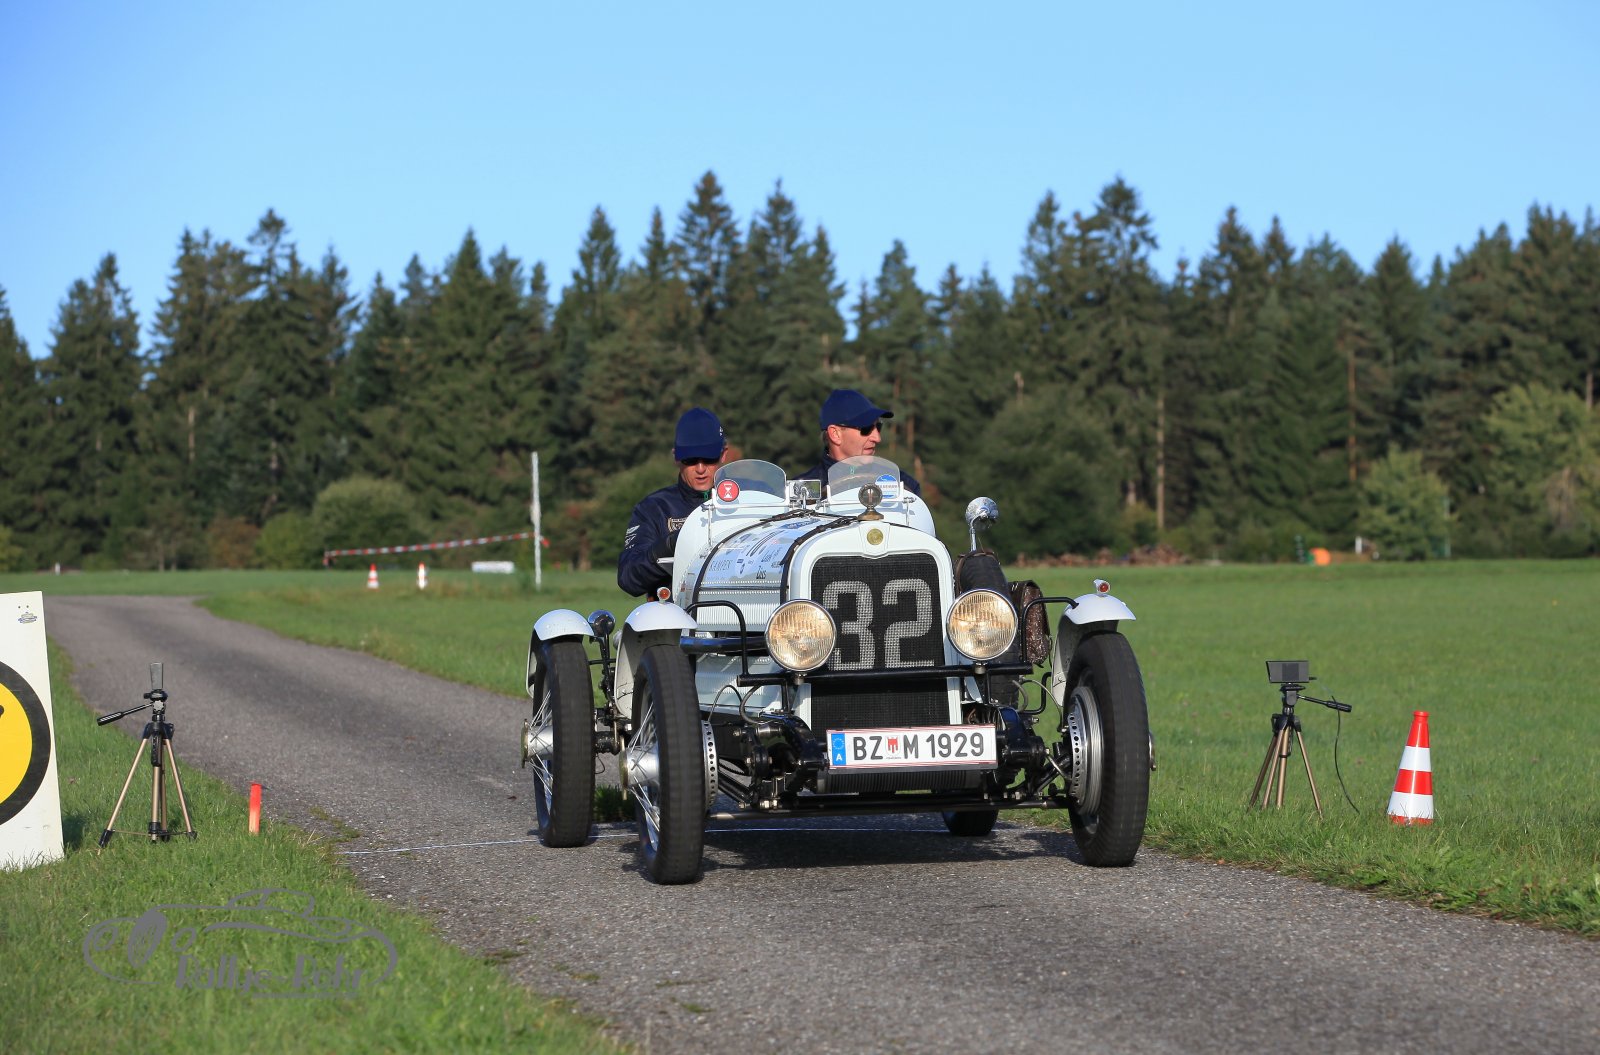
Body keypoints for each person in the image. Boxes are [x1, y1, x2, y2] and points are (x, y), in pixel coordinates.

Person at [617, 407, 727, 598]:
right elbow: (628, 578)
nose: (701, 469)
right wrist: (668, 546)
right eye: (690, 460)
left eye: (709, 458)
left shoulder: (747, 502)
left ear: (723, 454)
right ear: (676, 457)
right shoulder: (654, 508)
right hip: (675, 613)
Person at [794, 388, 922, 497]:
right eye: (866, 428)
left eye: (878, 427)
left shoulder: (904, 486)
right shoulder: (799, 492)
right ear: (835, 434)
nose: (877, 438)